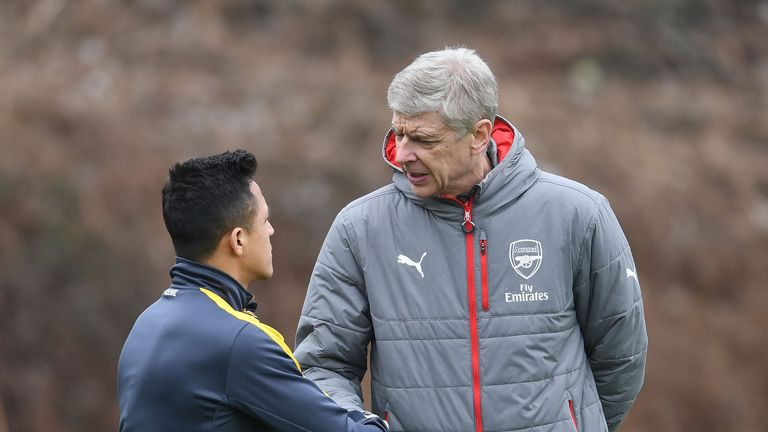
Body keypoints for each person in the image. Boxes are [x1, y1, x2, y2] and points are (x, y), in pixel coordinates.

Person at [294, 48, 647, 432]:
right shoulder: (358, 228)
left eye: (423, 139)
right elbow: (323, 365)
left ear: (479, 134)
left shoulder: (580, 214)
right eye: (399, 133)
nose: (403, 153)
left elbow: (621, 357)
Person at [117, 150, 388, 432]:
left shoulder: (146, 324)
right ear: (238, 240)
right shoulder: (238, 343)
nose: (271, 231)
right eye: (265, 221)